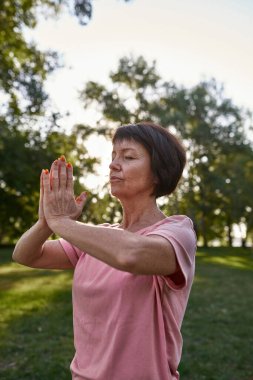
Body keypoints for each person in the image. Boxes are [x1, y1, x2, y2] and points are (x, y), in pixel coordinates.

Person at [13, 121, 196, 380]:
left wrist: (62, 222)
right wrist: (46, 223)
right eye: (113, 156)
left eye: (129, 156)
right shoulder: (96, 237)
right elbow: (25, 255)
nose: (113, 164)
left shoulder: (177, 232)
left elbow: (130, 254)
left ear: (158, 172)